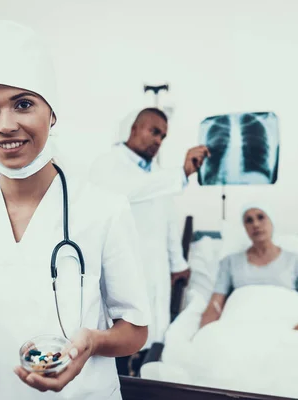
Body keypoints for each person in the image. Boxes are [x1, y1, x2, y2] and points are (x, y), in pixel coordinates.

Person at [0, 21, 151, 399]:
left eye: (23, 104)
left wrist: (93, 342)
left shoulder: (104, 210)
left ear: (51, 113)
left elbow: (135, 332)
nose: (5, 126)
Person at [89, 108, 210, 376]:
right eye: (154, 131)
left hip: (153, 271)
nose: (158, 140)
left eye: (163, 136)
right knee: (117, 347)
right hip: (119, 272)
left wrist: (177, 264)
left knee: (148, 341)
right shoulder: (108, 164)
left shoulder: (156, 175)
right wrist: (180, 172)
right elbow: (128, 190)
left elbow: (168, 222)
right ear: (134, 129)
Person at [199, 204, 298, 333]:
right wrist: (203, 334)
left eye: (261, 217)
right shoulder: (230, 262)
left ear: (272, 221)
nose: (256, 224)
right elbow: (215, 306)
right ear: (245, 227)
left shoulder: (297, 261)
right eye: (249, 220)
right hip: (242, 328)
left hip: (289, 329)